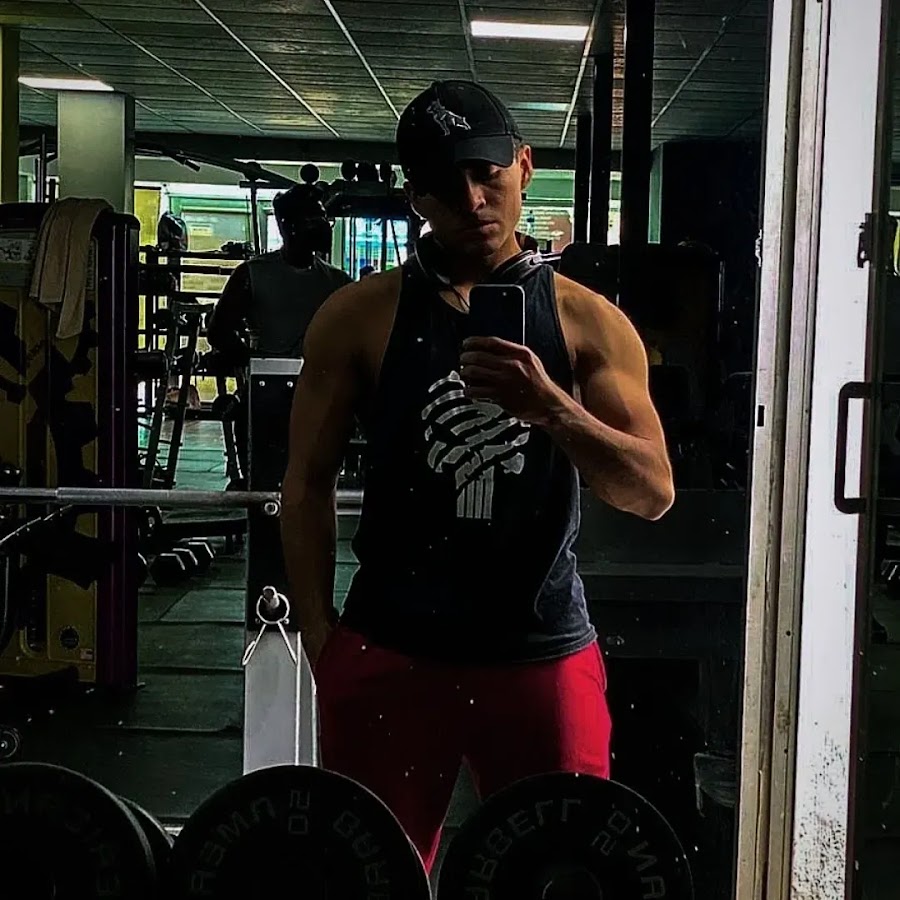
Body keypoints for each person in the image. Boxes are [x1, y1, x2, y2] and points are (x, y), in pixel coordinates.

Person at [280, 80, 674, 874]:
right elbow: (306, 485)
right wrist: (322, 638)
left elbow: (651, 491)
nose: (470, 199)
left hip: (540, 652)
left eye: (486, 172)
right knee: (370, 878)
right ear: (415, 195)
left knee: (562, 875)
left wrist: (551, 407)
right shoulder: (358, 316)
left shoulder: (588, 321)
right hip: (392, 649)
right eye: (443, 182)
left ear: (523, 166)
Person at [206, 185, 351, 477]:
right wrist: (257, 363)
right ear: (289, 226)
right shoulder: (252, 274)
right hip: (266, 401)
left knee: (316, 482)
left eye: (325, 219)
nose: (323, 226)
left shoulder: (337, 282)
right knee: (264, 485)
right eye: (314, 219)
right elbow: (218, 331)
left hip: (320, 397)